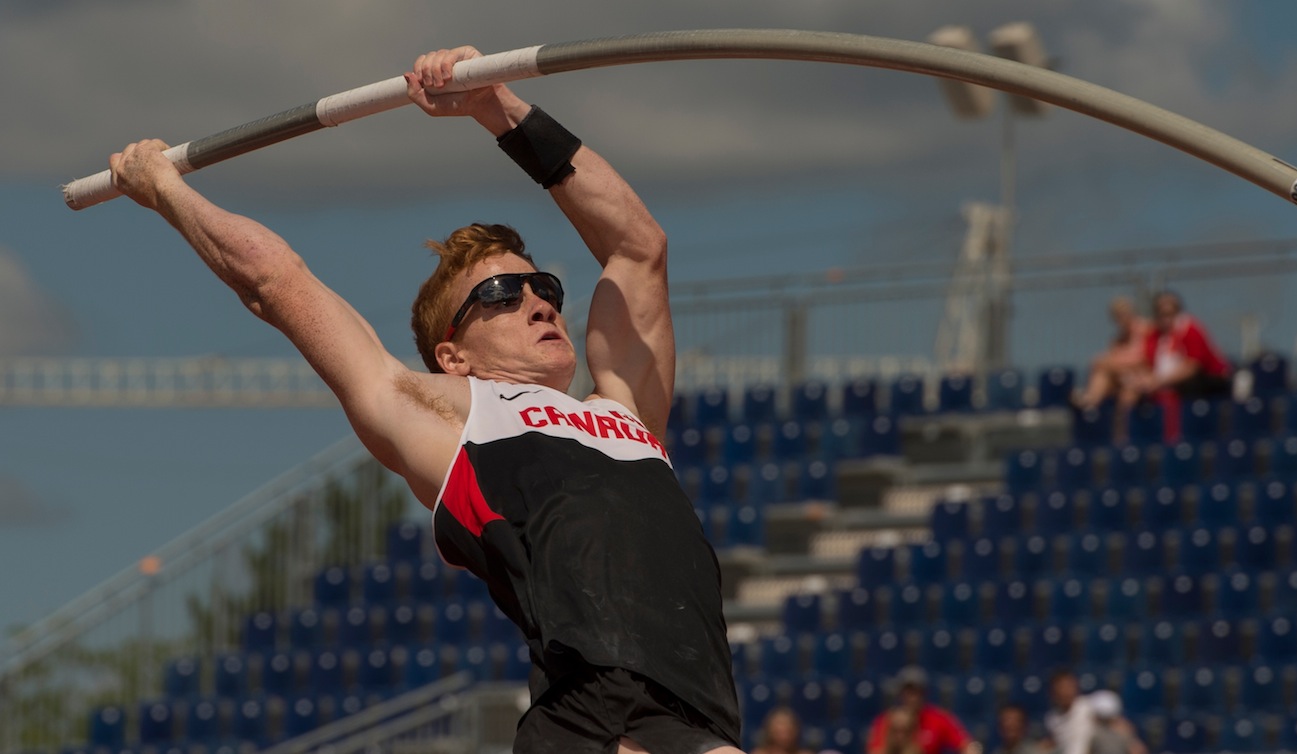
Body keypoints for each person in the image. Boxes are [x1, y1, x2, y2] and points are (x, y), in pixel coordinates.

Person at [108, 46, 743, 754]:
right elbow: (277, 284)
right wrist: (164, 187)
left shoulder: (626, 411)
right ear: (452, 356)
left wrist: (497, 108)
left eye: (544, 288)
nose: (538, 302)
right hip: (595, 713)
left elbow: (638, 248)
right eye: (501, 294)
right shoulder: (448, 418)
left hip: (694, 711)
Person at [1119, 290, 1232, 442]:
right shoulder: (1155, 336)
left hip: (1208, 382)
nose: (1166, 319)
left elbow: (1192, 367)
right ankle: (1124, 439)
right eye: (1161, 314)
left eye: (1170, 314)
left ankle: (1179, 437)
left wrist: (1157, 381)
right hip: (1168, 383)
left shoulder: (1190, 329)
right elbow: (1146, 362)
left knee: (1182, 388)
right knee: (1130, 391)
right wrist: (1140, 380)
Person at [865, 668, 977, 754]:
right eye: (908, 692)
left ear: (924, 693)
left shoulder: (938, 718)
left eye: (916, 692)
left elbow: (967, 745)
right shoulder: (887, 720)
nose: (912, 697)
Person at [1074, 297, 1152, 411]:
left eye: (1124, 314)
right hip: (1122, 376)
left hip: (1142, 375)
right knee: (1101, 374)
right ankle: (1090, 404)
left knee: (1126, 390)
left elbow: (1144, 358)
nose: (1121, 319)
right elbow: (1113, 359)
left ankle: (1090, 401)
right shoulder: (1117, 339)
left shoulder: (1146, 330)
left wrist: (1109, 362)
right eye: (1118, 316)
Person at [1041, 670, 1095, 754]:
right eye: (1061, 687)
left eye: (1069, 686)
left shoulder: (1090, 707)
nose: (1065, 691)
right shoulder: (1051, 718)